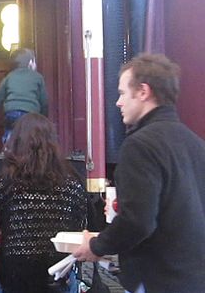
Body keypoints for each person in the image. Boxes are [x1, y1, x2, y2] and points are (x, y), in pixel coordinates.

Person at [73, 54, 205, 293]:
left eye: (123, 93)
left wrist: (96, 246)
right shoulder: (196, 144)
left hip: (157, 278)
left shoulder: (140, 145)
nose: (118, 102)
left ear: (143, 91)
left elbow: (138, 221)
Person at [0, 113, 87, 293]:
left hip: (15, 273)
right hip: (59, 270)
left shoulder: (8, 182)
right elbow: (81, 224)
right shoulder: (72, 181)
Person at [0, 48, 48, 143]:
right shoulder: (37, 77)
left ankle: (8, 148)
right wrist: (44, 119)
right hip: (30, 114)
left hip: (12, 113)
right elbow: (44, 102)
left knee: (10, 134)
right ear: (30, 62)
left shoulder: (9, 77)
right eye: (34, 61)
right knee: (30, 138)